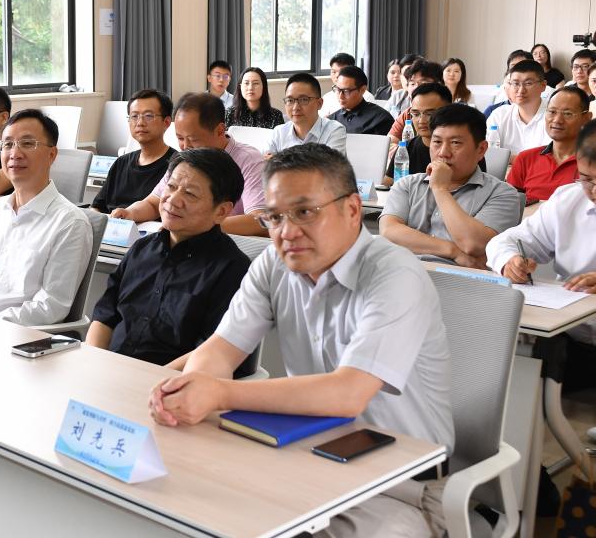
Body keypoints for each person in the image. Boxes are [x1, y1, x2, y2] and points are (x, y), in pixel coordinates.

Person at [148, 144, 453, 537]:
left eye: (305, 212)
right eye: (274, 217)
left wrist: (218, 393)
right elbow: (221, 349)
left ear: (352, 209)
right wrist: (192, 388)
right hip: (302, 458)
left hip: (400, 486)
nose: (287, 232)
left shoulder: (395, 275)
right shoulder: (273, 264)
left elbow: (348, 394)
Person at [86, 148, 250, 368]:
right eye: (171, 187)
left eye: (190, 194)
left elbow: (213, 349)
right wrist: (94, 362)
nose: (173, 200)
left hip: (175, 382)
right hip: (110, 370)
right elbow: (105, 315)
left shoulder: (232, 269)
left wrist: (156, 380)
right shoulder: (141, 249)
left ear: (221, 211)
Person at [487, 119, 596, 442]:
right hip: (571, 338)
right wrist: (510, 261)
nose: (593, 191)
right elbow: (506, 241)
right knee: (509, 385)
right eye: (587, 179)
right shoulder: (569, 200)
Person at [0, 109, 93, 325]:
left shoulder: (70, 223)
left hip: (12, 333)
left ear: (52, 155)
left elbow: (51, 306)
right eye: (7, 144)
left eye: (27, 143)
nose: (15, 153)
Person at [381, 105, 520, 268]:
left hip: (459, 278)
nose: (443, 153)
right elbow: (389, 231)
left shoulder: (502, 194)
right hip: (403, 271)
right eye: (437, 142)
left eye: (455, 143)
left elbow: (473, 244)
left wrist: (440, 189)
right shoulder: (408, 184)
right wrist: (453, 250)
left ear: (481, 149)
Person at [112, 93, 267, 236]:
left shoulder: (249, 160)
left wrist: (198, 226)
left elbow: (261, 221)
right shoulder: (184, 158)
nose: (185, 147)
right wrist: (129, 213)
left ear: (220, 130)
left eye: (193, 139)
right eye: (180, 138)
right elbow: (153, 203)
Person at [91, 89, 175, 213]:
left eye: (148, 116)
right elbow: (97, 207)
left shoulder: (176, 166)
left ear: (166, 122)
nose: (140, 123)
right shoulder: (121, 163)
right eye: (134, 116)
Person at [507, 86, 591, 203]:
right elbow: (508, 203)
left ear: (586, 118)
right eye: (552, 112)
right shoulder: (526, 159)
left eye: (567, 113)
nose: (557, 120)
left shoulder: (592, 162)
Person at [383, 84, 459, 186]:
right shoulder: (405, 148)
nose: (421, 121)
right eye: (416, 114)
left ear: (449, 112)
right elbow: (388, 183)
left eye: (430, 114)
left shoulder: (461, 150)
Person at [266, 72, 346, 155]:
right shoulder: (279, 132)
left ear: (319, 104)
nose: (295, 107)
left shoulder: (334, 131)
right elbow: (267, 160)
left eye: (304, 100)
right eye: (290, 100)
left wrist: (278, 159)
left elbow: (331, 163)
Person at [486, 59, 551, 159]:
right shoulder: (499, 115)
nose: (521, 90)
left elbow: (552, 158)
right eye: (516, 84)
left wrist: (510, 158)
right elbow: (490, 155)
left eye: (528, 83)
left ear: (543, 86)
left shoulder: (554, 117)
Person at [387, 59, 444, 145]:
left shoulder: (447, 114)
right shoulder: (408, 113)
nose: (416, 88)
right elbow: (390, 142)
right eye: (412, 84)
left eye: (423, 83)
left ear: (439, 84)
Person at [327, 65, 395, 136]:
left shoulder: (381, 119)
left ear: (362, 90)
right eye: (338, 89)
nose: (340, 96)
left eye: (346, 91)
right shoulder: (331, 120)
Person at [383, 53, 425, 117]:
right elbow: (382, 117)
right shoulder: (398, 95)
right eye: (405, 74)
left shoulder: (431, 98)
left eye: (412, 74)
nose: (408, 78)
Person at [320, 52, 356, 117]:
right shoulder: (327, 97)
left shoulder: (365, 97)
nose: (337, 75)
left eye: (342, 72)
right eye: (334, 72)